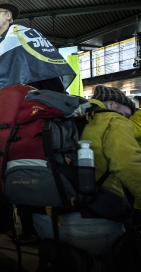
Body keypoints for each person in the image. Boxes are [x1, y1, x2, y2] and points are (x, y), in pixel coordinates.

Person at [32, 85, 141, 255]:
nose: (126, 119)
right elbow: (130, 166)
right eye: (125, 114)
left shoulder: (57, 116)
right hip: (94, 221)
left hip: (44, 218)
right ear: (111, 104)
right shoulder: (112, 120)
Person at [0, 0, 66, 169]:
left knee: (15, 151)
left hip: (18, 110)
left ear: (9, 16)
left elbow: (46, 72)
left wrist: (61, 105)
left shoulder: (25, 38)